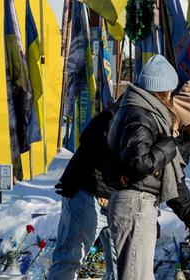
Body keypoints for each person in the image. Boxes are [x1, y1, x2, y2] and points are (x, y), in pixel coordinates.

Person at [106, 55, 190, 280]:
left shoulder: (168, 125)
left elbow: (174, 182)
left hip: (140, 204)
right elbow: (137, 163)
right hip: (135, 205)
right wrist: (166, 147)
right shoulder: (144, 116)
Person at [48, 97, 121, 279]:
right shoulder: (112, 119)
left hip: (116, 199)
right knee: (69, 259)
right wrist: (107, 189)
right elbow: (94, 149)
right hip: (88, 194)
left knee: (123, 265)